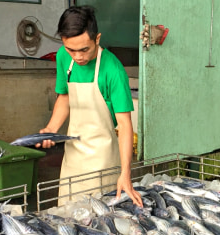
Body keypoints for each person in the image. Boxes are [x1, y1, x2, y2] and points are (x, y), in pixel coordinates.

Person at [37, 6, 142, 207]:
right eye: (71, 49)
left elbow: (125, 125)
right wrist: (51, 128)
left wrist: (125, 173)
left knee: (98, 218)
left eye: (84, 49)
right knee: (68, 214)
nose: (77, 57)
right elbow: (64, 97)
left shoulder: (113, 70)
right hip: (73, 156)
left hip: (102, 159)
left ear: (97, 39)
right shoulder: (62, 57)